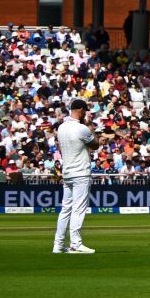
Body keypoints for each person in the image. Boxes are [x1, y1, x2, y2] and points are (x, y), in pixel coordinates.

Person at [54, 98, 97, 255]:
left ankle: (58, 245)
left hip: (68, 173)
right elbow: (95, 145)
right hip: (80, 173)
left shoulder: (61, 128)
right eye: (85, 110)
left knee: (66, 209)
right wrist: (91, 128)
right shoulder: (82, 129)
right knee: (78, 209)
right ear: (80, 110)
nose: (86, 113)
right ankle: (76, 244)